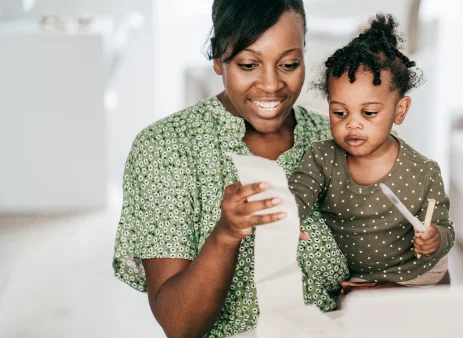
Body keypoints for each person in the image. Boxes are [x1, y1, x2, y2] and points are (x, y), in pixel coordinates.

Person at [112, 1, 349, 337]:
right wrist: (225, 236)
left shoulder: (336, 140)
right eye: (249, 64)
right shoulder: (167, 147)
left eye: (289, 64)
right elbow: (179, 326)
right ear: (218, 61)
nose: (271, 85)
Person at [289, 13, 455, 292]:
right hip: (361, 278)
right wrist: (288, 217)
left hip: (416, 275)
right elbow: (299, 191)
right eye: (340, 112)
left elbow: (444, 227)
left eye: (369, 113)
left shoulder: (424, 171)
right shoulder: (322, 157)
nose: (353, 123)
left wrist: (435, 237)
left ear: (399, 111)